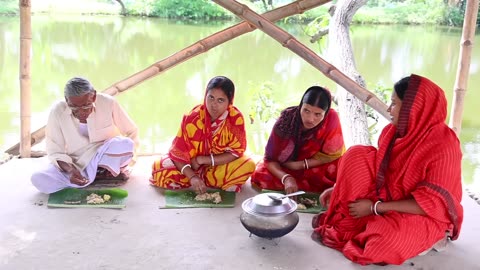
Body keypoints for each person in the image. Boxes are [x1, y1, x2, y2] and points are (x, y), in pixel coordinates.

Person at [311, 74, 464, 265]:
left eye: (394, 103)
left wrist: (374, 208)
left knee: (381, 244)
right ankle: (372, 224)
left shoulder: (444, 147)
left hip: (422, 214)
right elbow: (379, 174)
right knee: (356, 155)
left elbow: (433, 205)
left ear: (413, 109)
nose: (389, 109)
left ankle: (437, 236)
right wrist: (339, 187)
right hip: (387, 198)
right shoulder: (394, 132)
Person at [31, 77, 139, 194]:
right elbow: (55, 151)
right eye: (75, 107)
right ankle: (90, 177)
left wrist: (129, 161)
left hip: (104, 156)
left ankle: (103, 172)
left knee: (125, 144)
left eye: (86, 106)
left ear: (94, 96)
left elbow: (131, 131)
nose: (81, 112)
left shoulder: (108, 102)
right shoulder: (57, 110)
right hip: (76, 162)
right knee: (39, 178)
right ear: (67, 100)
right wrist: (70, 170)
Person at [150, 76, 255, 193]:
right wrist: (192, 177)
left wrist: (202, 159)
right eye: (210, 97)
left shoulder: (235, 119)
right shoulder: (193, 118)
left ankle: (209, 179)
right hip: (191, 166)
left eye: (220, 100)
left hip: (218, 165)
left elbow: (236, 152)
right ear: (205, 96)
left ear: (229, 102)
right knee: (159, 166)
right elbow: (177, 153)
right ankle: (205, 180)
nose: (213, 104)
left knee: (248, 164)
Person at [250, 86, 345, 194]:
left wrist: (301, 165)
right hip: (287, 167)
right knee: (261, 175)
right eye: (306, 110)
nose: (310, 119)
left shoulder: (332, 119)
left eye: (317, 114)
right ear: (300, 106)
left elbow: (332, 155)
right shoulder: (285, 122)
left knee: (342, 171)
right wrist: (286, 178)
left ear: (326, 113)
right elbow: (269, 159)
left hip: (314, 166)